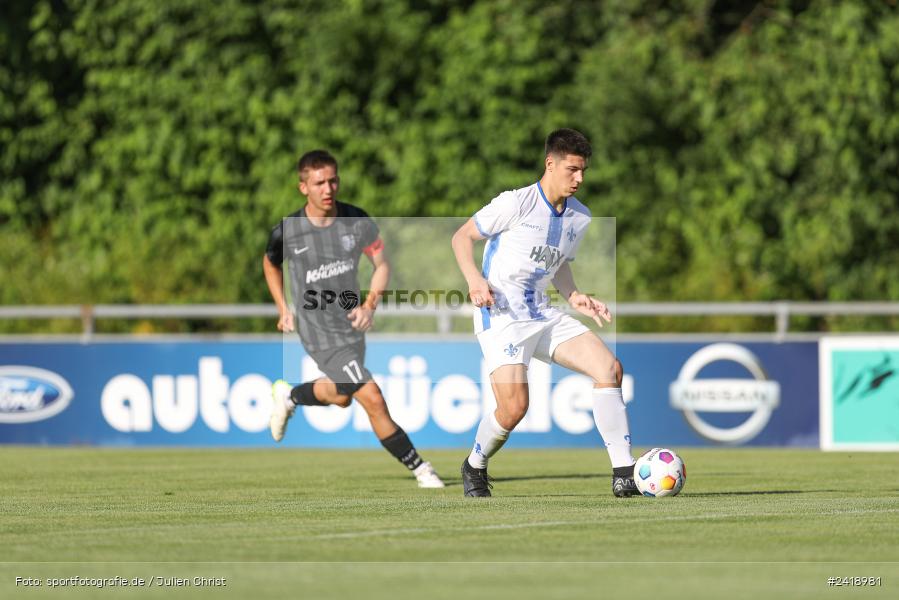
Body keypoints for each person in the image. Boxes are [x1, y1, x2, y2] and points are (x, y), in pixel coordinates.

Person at [450, 128, 639, 497]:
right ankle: (474, 465)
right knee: (514, 408)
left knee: (609, 369)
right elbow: (461, 237)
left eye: (583, 170)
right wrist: (475, 279)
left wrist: (575, 295)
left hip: (543, 314)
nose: (580, 179)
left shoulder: (579, 217)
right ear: (549, 164)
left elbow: (561, 263)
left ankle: (624, 472)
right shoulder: (515, 203)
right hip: (501, 315)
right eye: (572, 170)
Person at [263, 149, 444, 489]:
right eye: (319, 183)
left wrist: (370, 305)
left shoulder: (357, 222)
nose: (327, 188)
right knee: (371, 396)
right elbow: (270, 262)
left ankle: (290, 397)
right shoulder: (289, 230)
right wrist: (282, 307)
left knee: (343, 396)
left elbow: (382, 264)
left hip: (350, 322)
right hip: (315, 327)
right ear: (303, 187)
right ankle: (422, 469)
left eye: (333, 180)